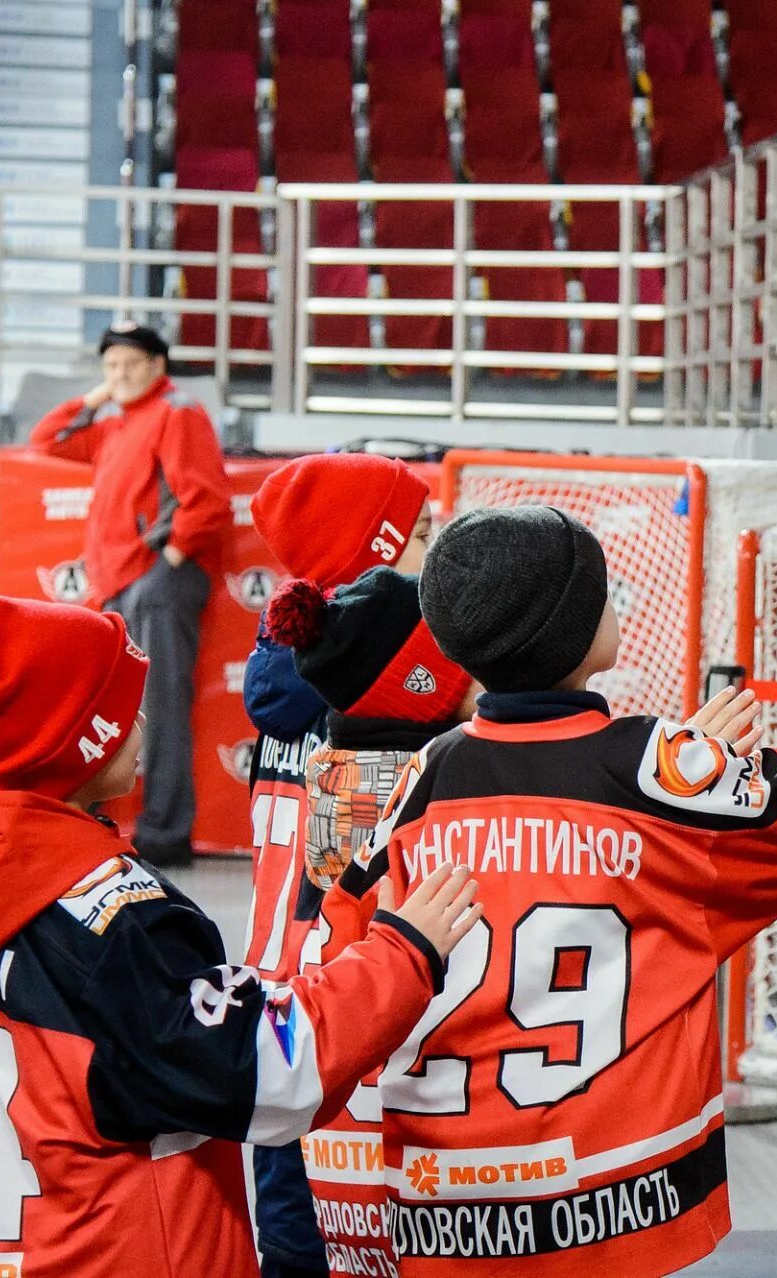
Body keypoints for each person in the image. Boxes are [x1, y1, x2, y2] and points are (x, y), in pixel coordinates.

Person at [315, 504, 777, 1275]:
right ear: (581, 630)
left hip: (444, 1212)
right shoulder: (659, 768)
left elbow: (345, 950)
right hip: (612, 1209)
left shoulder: (427, 778)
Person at [0, 595, 482, 1275]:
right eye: (125, 710)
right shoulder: (115, 927)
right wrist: (404, 951)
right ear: (84, 736)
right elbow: (273, 1071)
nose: (145, 721)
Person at [241, 453, 437, 1278]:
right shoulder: (382, 688)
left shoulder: (290, 672)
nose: (439, 547)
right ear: (374, 559)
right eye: (423, 533)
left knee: (289, 1226)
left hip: (275, 990)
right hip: (361, 978)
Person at [262, 564, 475, 1278]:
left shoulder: (334, 768)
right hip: (395, 1124)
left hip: (324, 1121)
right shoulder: (421, 786)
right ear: (420, 683)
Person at [28, 321, 229, 867]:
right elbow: (46, 439)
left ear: (158, 367)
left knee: (160, 709)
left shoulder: (177, 412)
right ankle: (139, 826)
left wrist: (166, 561)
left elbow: (207, 502)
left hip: (155, 580)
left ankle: (165, 835)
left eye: (130, 365)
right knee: (131, 710)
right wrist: (98, 394)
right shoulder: (119, 420)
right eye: (110, 366)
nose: (118, 375)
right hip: (124, 581)